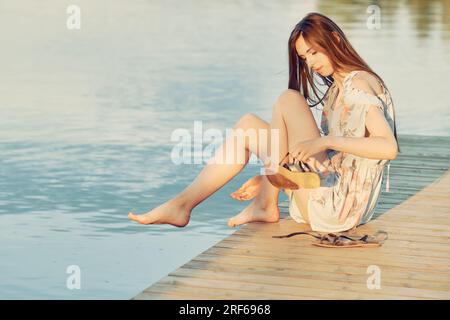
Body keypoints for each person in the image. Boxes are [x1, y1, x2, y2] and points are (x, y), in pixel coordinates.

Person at [128, 12, 399, 232]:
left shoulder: (359, 84)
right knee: (248, 124)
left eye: (314, 52)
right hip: (325, 192)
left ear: (336, 41)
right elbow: (339, 156)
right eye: (304, 57)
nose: (310, 63)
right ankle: (185, 204)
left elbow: (388, 148)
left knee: (289, 100)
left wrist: (324, 139)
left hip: (339, 207)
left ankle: (264, 203)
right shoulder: (336, 90)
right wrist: (271, 175)